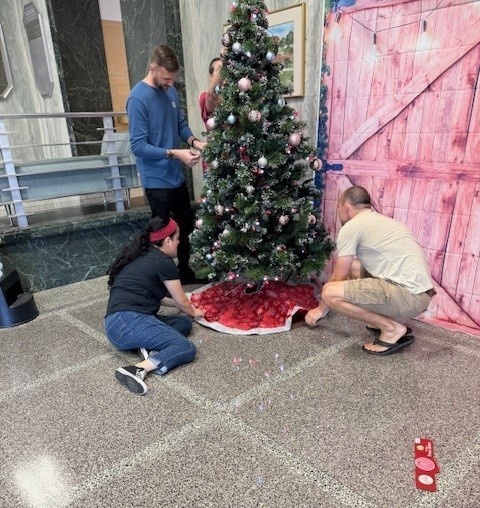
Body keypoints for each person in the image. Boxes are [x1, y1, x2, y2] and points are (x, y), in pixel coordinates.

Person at [305, 186, 436, 355]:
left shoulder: (352, 226)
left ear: (346, 206)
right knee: (353, 266)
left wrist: (320, 309)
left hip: (409, 297)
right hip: (420, 294)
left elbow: (338, 276)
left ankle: (390, 329)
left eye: (338, 207)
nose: (338, 212)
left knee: (329, 292)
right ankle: (385, 319)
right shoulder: (383, 221)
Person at [126, 44, 206, 284]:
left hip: (175, 177)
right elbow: (138, 146)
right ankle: (161, 278)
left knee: (185, 226)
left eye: (173, 78)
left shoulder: (170, 92)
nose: (170, 83)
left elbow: (180, 124)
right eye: (166, 78)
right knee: (161, 233)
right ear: (153, 68)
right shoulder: (137, 99)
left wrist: (194, 141)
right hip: (155, 179)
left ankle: (185, 273)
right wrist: (176, 154)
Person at [104, 217, 204, 395]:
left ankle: (150, 348)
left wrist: (182, 307)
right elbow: (182, 301)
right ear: (167, 240)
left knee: (183, 324)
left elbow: (158, 297)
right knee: (186, 347)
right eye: (177, 238)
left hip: (118, 322)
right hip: (128, 322)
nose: (179, 242)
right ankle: (137, 369)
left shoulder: (142, 254)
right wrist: (195, 311)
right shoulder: (164, 262)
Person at [199, 57, 223, 129]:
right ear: (211, 76)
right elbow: (211, 96)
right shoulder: (204, 97)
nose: (224, 72)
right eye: (219, 70)